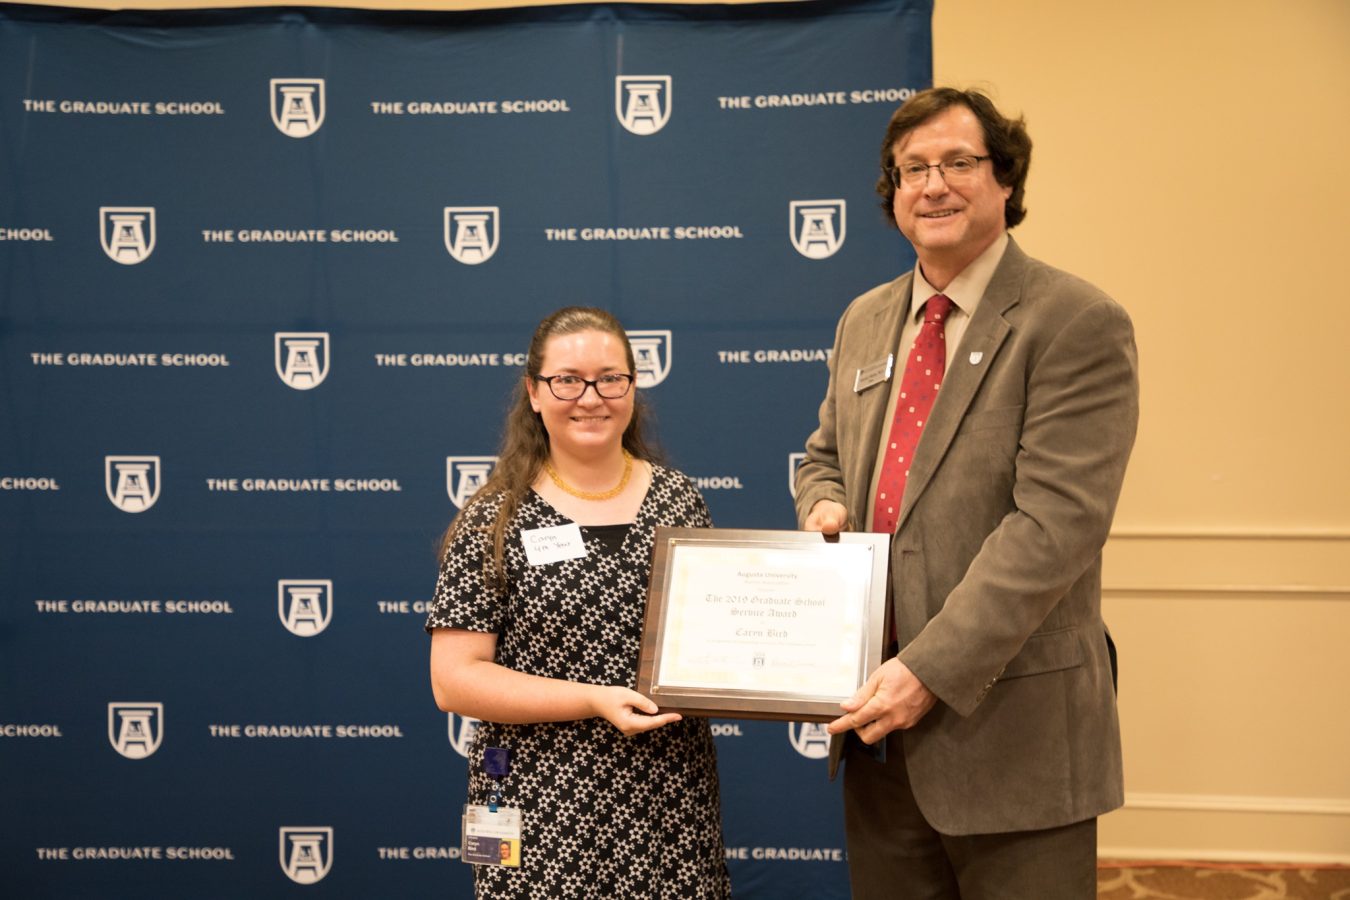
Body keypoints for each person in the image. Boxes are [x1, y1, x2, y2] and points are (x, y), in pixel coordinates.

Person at [794, 87, 1139, 899]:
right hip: (878, 733)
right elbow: (823, 458)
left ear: (1006, 181)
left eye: (958, 162)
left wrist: (927, 669)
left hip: (1011, 734)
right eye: (911, 169)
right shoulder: (865, 320)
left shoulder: (1075, 321)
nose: (933, 185)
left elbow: (1054, 528)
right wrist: (822, 505)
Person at [426, 306, 731, 899]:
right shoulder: (495, 516)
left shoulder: (680, 501)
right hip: (539, 803)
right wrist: (591, 699)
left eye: (609, 378)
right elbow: (453, 681)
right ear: (534, 393)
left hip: (669, 797)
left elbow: (717, 636)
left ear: (632, 388)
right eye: (567, 379)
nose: (590, 396)